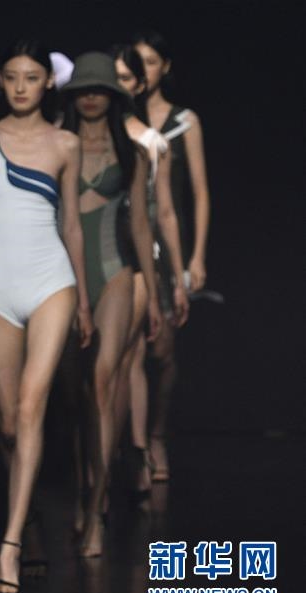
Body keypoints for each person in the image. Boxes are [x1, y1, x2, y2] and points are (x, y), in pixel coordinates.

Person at [0, 39, 93, 593]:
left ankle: (11, 544)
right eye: (12, 76)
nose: (21, 86)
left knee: (31, 406)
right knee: (9, 425)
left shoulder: (66, 143)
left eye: (32, 77)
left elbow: (72, 224)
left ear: (48, 82)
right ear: (1, 80)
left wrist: (82, 299)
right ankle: (31, 515)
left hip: (51, 282)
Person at [59, 52, 162, 557]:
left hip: (117, 272)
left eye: (100, 89)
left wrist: (154, 296)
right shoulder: (58, 144)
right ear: (74, 95)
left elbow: (141, 225)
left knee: (101, 385)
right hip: (64, 275)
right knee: (77, 396)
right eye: (84, 89)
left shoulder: (133, 152)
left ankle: (98, 507)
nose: (92, 97)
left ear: (115, 96)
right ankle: (84, 490)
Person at [133, 30, 212, 481]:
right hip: (126, 240)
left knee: (162, 350)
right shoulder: (120, 118)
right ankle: (132, 448)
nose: (143, 71)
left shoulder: (184, 122)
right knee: (124, 353)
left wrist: (196, 257)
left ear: (165, 67)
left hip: (168, 246)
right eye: (136, 62)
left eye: (150, 61)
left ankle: (157, 433)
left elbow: (199, 193)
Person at [111, 44, 189, 497]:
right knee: (100, 367)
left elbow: (166, 212)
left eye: (126, 78)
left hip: (141, 258)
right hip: (93, 257)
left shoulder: (153, 142)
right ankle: (105, 460)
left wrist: (178, 277)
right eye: (113, 77)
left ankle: (137, 450)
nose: (118, 86)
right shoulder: (76, 136)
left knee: (135, 356)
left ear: (139, 84)